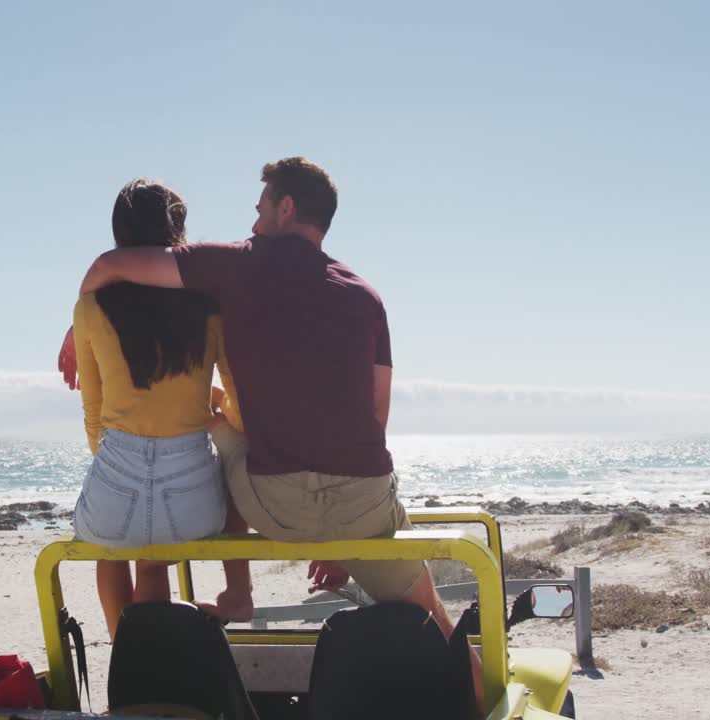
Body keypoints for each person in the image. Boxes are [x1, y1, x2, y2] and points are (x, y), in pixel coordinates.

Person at [61, 158, 482, 708]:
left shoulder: (235, 265)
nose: (253, 218)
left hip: (273, 504)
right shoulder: (367, 296)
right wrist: (339, 539)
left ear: (285, 208)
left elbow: (112, 263)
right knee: (433, 610)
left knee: (223, 455)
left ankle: (207, 619)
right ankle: (487, 701)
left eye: (261, 206)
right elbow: (375, 418)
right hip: (360, 500)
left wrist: (77, 325)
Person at [70, 178, 242, 641]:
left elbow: (94, 410)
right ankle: (154, 663)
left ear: (120, 233)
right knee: (153, 560)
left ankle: (128, 665)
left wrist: (114, 468)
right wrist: (227, 420)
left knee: (109, 551)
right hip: (191, 498)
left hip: (115, 479)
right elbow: (235, 389)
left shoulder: (90, 306)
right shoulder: (209, 306)